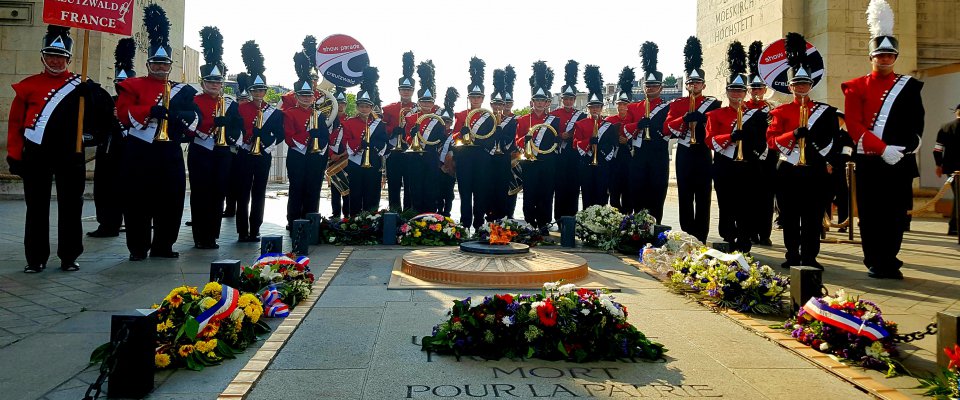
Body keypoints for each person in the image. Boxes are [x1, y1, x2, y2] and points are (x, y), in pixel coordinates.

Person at [6, 25, 112, 273]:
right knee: (36, 208)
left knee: (71, 207)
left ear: (69, 59)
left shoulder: (81, 84)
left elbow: (104, 114)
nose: (56, 60)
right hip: (36, 154)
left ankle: (69, 256)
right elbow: (15, 124)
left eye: (61, 56)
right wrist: (14, 154)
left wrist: (92, 96)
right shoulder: (28, 85)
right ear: (43, 57)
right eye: (51, 55)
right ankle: (35, 258)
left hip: (69, 153)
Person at [842, 0, 925, 279]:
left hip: (899, 160)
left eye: (890, 55)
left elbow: (917, 122)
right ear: (871, 57)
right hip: (871, 160)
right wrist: (881, 148)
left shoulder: (910, 86)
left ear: (896, 57)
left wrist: (909, 146)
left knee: (897, 214)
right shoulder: (855, 87)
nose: (885, 59)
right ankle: (875, 260)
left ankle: (890, 257)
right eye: (880, 55)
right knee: (872, 213)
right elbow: (853, 124)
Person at [116, 4, 199, 261]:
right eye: (156, 62)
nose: (161, 67)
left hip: (169, 149)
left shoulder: (182, 89)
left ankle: (164, 245)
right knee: (137, 201)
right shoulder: (133, 85)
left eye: (165, 63)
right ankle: (138, 248)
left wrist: (181, 117)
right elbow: (123, 114)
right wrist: (149, 110)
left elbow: (195, 117)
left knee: (170, 200)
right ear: (149, 63)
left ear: (170, 65)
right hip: (140, 150)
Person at [768, 32, 840, 270]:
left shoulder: (825, 111)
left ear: (811, 85)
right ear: (789, 86)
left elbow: (833, 141)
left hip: (814, 169)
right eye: (796, 84)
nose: (801, 87)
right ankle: (792, 254)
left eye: (805, 83)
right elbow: (771, 141)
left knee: (812, 215)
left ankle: (810, 256)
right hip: (788, 169)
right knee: (789, 215)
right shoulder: (779, 113)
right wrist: (793, 135)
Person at [705, 41, 767, 254]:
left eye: (740, 90)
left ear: (744, 92)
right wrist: (730, 137)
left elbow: (762, 140)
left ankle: (745, 241)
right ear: (727, 91)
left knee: (747, 205)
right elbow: (710, 140)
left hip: (748, 165)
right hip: (725, 165)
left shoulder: (755, 115)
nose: (737, 94)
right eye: (733, 90)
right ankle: (728, 237)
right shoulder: (715, 115)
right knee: (727, 204)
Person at [186, 27, 241, 250]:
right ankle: (200, 235)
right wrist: (205, 129)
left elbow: (238, 126)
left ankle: (212, 235)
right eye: (211, 82)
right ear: (203, 82)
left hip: (222, 150)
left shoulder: (229, 102)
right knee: (200, 194)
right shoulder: (193, 100)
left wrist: (227, 131)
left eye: (218, 83)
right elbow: (188, 125)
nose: (215, 86)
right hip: (200, 149)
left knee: (218, 193)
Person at [664, 36, 719, 243]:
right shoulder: (678, 104)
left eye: (697, 82)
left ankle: (702, 235)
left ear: (703, 85)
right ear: (686, 85)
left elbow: (717, 125)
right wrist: (684, 119)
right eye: (690, 82)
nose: (694, 85)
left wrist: (703, 119)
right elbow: (668, 126)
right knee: (685, 195)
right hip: (685, 150)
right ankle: (687, 233)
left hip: (703, 151)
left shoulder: (713, 104)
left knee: (703, 195)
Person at [236, 40, 284, 242]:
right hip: (244, 153)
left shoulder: (273, 112)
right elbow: (233, 128)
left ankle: (255, 228)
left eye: (261, 90)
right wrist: (245, 140)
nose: (258, 93)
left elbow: (279, 134)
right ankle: (241, 231)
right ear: (250, 91)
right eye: (254, 90)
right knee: (242, 194)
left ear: (265, 91)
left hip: (263, 155)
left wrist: (263, 141)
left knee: (259, 193)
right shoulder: (240, 108)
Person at [88, 38, 136, 238]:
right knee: (105, 191)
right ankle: (108, 224)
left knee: (132, 193)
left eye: (125, 84)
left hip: (131, 153)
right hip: (108, 152)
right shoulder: (108, 101)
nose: (121, 87)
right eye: (118, 83)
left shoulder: (139, 102)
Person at [625, 42, 671, 222]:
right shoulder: (634, 107)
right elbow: (625, 129)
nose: (650, 88)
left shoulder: (666, 107)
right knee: (638, 191)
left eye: (654, 85)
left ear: (660, 87)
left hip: (658, 152)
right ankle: (637, 228)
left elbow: (671, 128)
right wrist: (638, 125)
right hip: (640, 152)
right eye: (648, 85)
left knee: (657, 193)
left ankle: (655, 226)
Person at [284, 49, 328, 229]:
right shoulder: (289, 113)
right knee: (296, 190)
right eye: (303, 95)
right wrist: (308, 139)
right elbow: (289, 136)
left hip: (315, 157)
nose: (307, 98)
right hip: (298, 155)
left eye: (309, 95)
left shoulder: (319, 115)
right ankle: (293, 221)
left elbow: (324, 136)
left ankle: (311, 220)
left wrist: (320, 143)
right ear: (296, 96)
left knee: (313, 189)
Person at [516, 61, 562, 231]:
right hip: (529, 160)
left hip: (548, 160)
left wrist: (557, 141)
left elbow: (558, 139)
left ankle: (543, 222)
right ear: (532, 101)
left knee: (546, 192)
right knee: (530, 192)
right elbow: (517, 138)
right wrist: (526, 142)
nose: (540, 103)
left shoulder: (554, 121)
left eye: (542, 100)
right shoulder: (522, 120)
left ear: (547, 102)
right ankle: (529, 221)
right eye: (537, 100)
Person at [453, 57, 495, 232]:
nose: (475, 99)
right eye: (473, 96)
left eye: (478, 97)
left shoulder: (489, 115)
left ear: (483, 98)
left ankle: (478, 224)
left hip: (482, 157)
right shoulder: (462, 115)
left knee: (480, 192)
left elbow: (492, 139)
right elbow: (454, 136)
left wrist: (478, 140)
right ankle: (465, 223)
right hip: (464, 157)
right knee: (465, 192)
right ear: (469, 97)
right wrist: (461, 134)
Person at [343, 66, 389, 215]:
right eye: (361, 106)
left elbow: (384, 142)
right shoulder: (349, 122)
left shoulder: (379, 123)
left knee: (372, 192)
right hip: (356, 161)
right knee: (355, 192)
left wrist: (373, 146)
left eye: (367, 106)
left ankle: (371, 219)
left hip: (373, 160)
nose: (364, 109)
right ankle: (354, 219)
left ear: (371, 107)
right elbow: (346, 140)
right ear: (357, 107)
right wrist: (359, 145)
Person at [745, 40, 777, 246]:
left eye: (760, 88)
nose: (757, 92)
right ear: (748, 90)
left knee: (766, 196)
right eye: (753, 88)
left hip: (769, 155)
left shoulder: (773, 107)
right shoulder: (743, 108)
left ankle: (764, 233)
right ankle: (749, 232)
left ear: (765, 89)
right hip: (748, 155)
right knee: (749, 196)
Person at [574, 65, 618, 208]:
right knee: (587, 194)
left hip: (603, 164)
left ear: (601, 108)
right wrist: (589, 142)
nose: (595, 109)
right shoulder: (580, 124)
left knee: (602, 194)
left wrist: (601, 153)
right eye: (592, 107)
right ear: (588, 108)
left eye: (597, 107)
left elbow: (612, 145)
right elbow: (576, 143)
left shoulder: (608, 126)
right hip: (586, 164)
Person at [403, 61, 442, 213]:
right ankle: (415, 217)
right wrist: (412, 136)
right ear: (419, 102)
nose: (427, 104)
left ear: (433, 102)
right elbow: (407, 137)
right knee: (416, 189)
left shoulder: (438, 118)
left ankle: (431, 217)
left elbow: (441, 137)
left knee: (431, 188)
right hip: (415, 157)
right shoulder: (411, 117)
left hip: (431, 156)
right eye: (424, 101)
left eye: (429, 101)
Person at [382, 51, 418, 211]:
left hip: (411, 150)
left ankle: (409, 214)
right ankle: (394, 213)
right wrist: (393, 130)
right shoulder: (389, 109)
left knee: (411, 185)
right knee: (394, 185)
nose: (406, 92)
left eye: (409, 90)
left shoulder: (418, 108)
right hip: (394, 152)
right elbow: (383, 131)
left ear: (413, 91)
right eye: (403, 89)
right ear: (399, 90)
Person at [552, 60, 586, 220]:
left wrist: (571, 134)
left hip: (573, 155)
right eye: (565, 99)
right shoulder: (554, 115)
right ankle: (559, 218)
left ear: (574, 99)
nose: (568, 102)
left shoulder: (581, 115)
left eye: (571, 99)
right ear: (562, 99)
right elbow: (549, 134)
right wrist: (559, 137)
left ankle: (571, 218)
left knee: (573, 187)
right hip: (559, 154)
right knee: (559, 188)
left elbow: (583, 132)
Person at [489, 68, 518, 221]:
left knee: (507, 188)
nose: (503, 106)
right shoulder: (487, 118)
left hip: (507, 157)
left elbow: (513, 138)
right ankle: (490, 216)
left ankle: (506, 215)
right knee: (489, 188)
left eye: (506, 103)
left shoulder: (514, 120)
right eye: (499, 103)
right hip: (489, 158)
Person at [608, 67, 635, 213]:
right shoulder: (610, 120)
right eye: (619, 104)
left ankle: (628, 219)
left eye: (625, 104)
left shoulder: (635, 120)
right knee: (614, 192)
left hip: (630, 159)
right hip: (615, 159)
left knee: (628, 191)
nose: (622, 107)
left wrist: (628, 141)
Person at [933, 104, 960, 236]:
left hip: (951, 168)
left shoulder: (945, 127)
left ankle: (954, 227)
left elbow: (937, 149)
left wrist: (938, 165)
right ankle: (954, 226)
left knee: (957, 196)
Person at [327, 87, 350, 219]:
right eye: (338, 103)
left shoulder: (349, 120)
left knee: (346, 185)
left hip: (346, 156)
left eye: (343, 103)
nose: (341, 106)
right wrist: (331, 155)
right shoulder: (328, 120)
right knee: (335, 186)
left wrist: (348, 152)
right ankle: (335, 213)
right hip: (332, 156)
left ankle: (347, 212)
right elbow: (324, 139)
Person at [501, 66, 521, 218]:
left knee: (512, 187)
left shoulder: (517, 119)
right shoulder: (493, 119)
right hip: (496, 157)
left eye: (509, 102)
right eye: (504, 102)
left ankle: (510, 215)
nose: (507, 105)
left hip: (512, 156)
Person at [437, 88, 459, 216]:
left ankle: (447, 213)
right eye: (444, 121)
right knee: (438, 193)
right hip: (437, 167)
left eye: (448, 121)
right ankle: (439, 212)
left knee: (449, 193)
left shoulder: (454, 135)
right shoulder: (437, 134)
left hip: (450, 168)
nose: (446, 123)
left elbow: (456, 150)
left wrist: (449, 164)